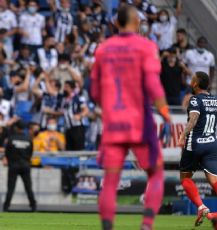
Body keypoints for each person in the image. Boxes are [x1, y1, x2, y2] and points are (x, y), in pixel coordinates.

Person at [90, 6, 171, 230]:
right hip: (140, 124)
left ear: (116, 23)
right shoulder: (146, 47)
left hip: (113, 125)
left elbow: (94, 92)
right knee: (156, 173)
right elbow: (153, 84)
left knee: (111, 180)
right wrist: (164, 111)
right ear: (136, 22)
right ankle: (146, 225)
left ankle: (107, 227)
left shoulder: (103, 49)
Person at [178, 72, 217, 227]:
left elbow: (193, 119)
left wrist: (182, 135)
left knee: (185, 177)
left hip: (195, 143)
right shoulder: (215, 100)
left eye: (193, 79)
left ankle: (201, 207)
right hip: (212, 144)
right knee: (214, 180)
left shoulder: (195, 100)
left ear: (195, 84)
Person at [3, 120, 36, 212]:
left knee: (11, 188)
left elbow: (7, 153)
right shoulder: (29, 139)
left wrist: (10, 161)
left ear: (16, 128)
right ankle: (33, 206)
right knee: (28, 187)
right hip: (25, 165)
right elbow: (30, 153)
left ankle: (6, 206)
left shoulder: (11, 139)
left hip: (13, 165)